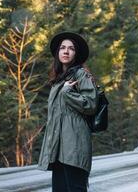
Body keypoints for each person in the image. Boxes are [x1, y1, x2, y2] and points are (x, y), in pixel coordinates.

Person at [37, 31, 98, 192]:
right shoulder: (58, 80)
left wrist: (67, 93)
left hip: (75, 147)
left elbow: (91, 105)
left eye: (71, 48)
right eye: (62, 48)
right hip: (58, 149)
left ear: (76, 54)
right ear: (57, 53)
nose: (65, 51)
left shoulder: (81, 75)